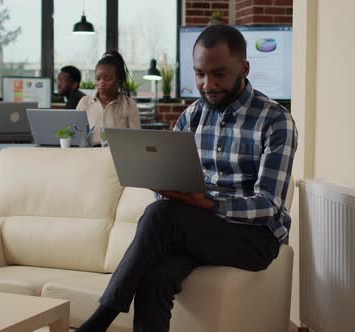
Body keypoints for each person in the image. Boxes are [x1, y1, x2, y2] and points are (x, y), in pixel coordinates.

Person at [76, 24, 297, 332]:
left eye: (219, 74)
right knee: (155, 277)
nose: (208, 84)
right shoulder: (192, 115)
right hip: (199, 228)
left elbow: (269, 205)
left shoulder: (275, 121)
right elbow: (172, 179)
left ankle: (100, 320)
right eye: (200, 74)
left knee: (161, 214)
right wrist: (169, 189)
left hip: (254, 238)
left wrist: (206, 204)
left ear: (244, 68)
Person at [76, 51, 141, 143]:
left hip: (118, 154)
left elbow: (136, 138)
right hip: (91, 153)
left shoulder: (129, 104)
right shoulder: (85, 103)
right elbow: (77, 135)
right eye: (98, 79)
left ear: (118, 81)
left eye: (107, 79)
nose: (101, 83)